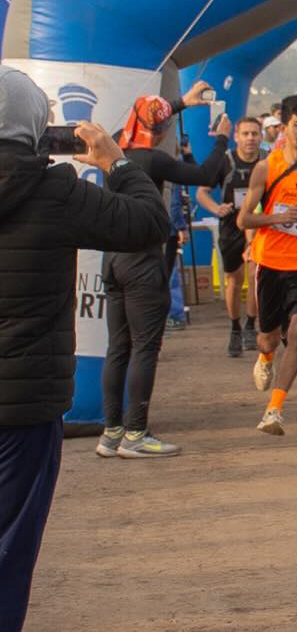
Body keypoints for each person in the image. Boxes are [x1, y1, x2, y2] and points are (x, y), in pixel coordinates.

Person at [0, 66, 171, 627]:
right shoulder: (53, 189)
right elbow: (148, 224)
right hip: (22, 408)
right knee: (8, 550)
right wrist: (115, 162)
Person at [100, 86, 231, 458]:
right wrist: (222, 139)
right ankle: (136, 434)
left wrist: (179, 103)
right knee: (145, 347)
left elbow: (147, 115)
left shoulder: (115, 151)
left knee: (118, 348)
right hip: (142, 260)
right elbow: (205, 172)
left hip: (111, 259)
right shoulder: (152, 160)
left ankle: (111, 434)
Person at [236, 94, 297, 435]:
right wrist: (277, 217)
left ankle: (275, 408)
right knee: (267, 338)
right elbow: (244, 220)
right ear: (283, 127)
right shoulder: (266, 167)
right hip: (271, 263)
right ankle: (267, 358)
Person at [195, 116, 263, 357]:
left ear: (261, 136)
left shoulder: (267, 161)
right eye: (245, 134)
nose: (250, 139)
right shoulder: (225, 162)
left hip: (259, 224)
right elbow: (201, 193)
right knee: (234, 279)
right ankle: (235, 326)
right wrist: (216, 208)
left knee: (255, 275)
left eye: (255, 134)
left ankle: (250, 325)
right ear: (236, 137)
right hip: (231, 225)